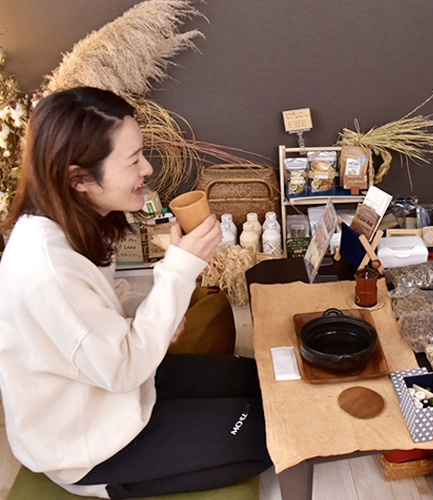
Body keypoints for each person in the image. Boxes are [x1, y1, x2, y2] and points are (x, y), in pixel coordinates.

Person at [0, 87, 271, 498]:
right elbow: (123, 366)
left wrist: (153, 314)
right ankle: (115, 485)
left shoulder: (71, 223)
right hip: (89, 442)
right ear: (78, 178)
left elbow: (104, 307)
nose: (146, 168)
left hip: (122, 390)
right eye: (133, 160)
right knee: (267, 431)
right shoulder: (46, 268)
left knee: (260, 379)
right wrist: (180, 268)